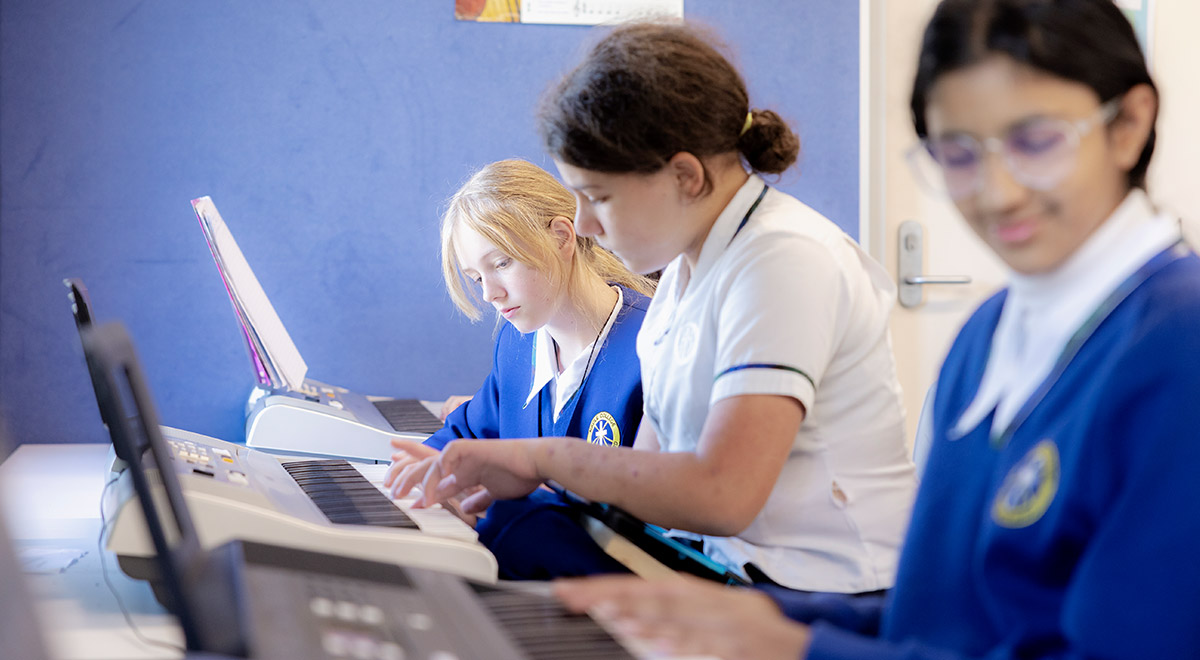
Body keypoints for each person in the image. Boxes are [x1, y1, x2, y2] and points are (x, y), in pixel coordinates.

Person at [554, 1, 1200, 657]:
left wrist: (801, 648)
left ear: (1129, 124)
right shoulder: (987, 334)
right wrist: (764, 618)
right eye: (957, 152)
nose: (998, 192)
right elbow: (944, 616)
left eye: (1036, 141)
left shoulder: (1176, 344)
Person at [390, 21, 916, 594]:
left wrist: (537, 460)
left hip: (819, 590)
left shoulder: (783, 261)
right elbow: (642, 484)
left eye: (599, 198)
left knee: (517, 541)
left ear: (685, 176)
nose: (586, 225)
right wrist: (506, 478)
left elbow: (724, 495)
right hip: (718, 564)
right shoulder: (685, 278)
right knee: (511, 532)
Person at [386, 158, 655, 579]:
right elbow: (468, 432)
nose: (491, 294)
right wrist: (433, 472)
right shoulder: (517, 343)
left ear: (563, 237)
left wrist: (509, 502)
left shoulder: (654, 347)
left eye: (502, 264)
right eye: (477, 278)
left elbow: (655, 519)